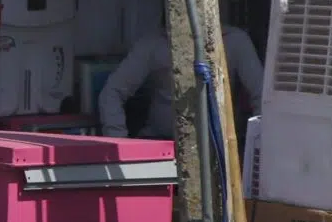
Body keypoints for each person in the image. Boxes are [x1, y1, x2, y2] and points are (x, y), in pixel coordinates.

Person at [98, 18, 264, 139]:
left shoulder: (234, 41)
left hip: (218, 149)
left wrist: (257, 147)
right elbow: (112, 92)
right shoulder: (153, 44)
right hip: (160, 144)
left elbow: (262, 97)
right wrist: (119, 143)